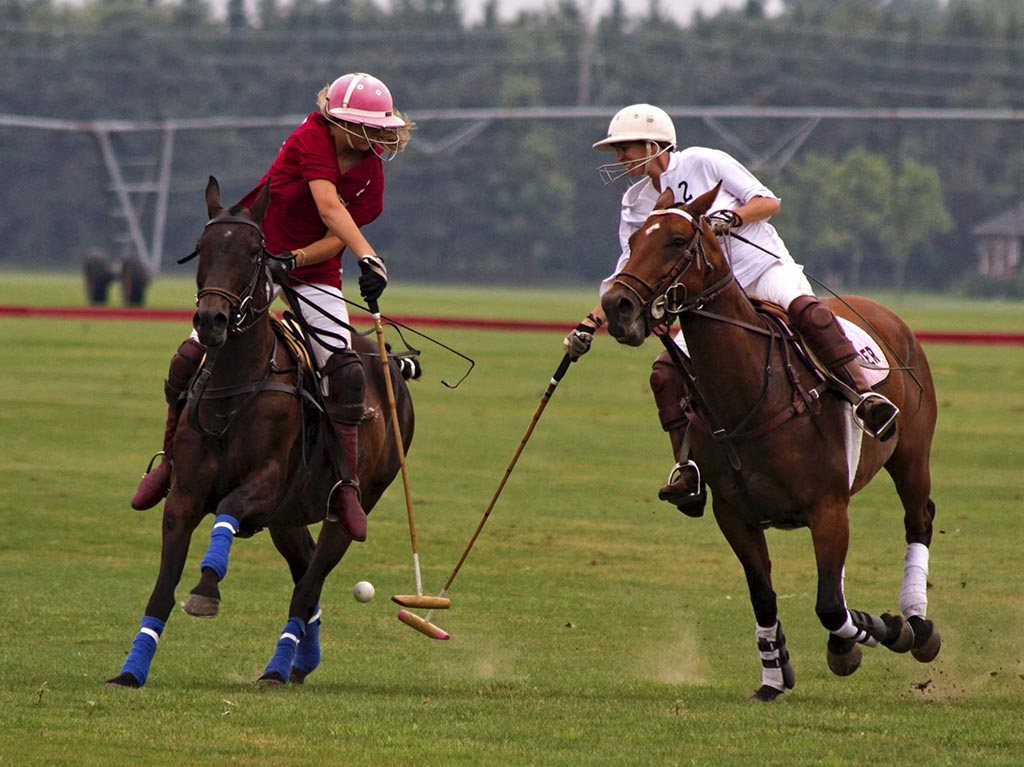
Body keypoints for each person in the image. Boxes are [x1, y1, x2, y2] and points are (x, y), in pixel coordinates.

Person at [564, 103, 899, 518]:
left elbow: (767, 202)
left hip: (760, 270)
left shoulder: (705, 162)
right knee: (666, 373)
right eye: (617, 151)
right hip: (709, 298)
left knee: (808, 313)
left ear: (654, 144)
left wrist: (731, 218)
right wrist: (589, 323)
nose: (619, 158)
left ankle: (864, 397)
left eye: (625, 148)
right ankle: (688, 469)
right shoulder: (636, 203)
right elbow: (628, 275)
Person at [131, 72, 414, 542]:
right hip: (256, 258)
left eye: (373, 128)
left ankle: (345, 486)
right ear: (335, 120)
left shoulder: (372, 177)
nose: (367, 136)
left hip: (311, 269)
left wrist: (303, 259)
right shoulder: (310, 139)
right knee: (190, 356)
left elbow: (330, 237)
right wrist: (368, 255)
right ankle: (169, 464)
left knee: (343, 371)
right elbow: (328, 207)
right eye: (357, 125)